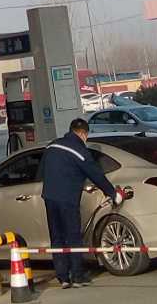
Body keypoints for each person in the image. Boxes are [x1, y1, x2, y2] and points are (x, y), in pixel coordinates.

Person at [40, 119, 122, 289]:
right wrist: (113, 194)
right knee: (73, 236)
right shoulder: (79, 151)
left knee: (57, 237)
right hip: (68, 199)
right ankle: (77, 276)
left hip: (49, 197)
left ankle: (63, 277)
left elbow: (43, 170)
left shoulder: (51, 146)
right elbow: (96, 174)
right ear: (84, 134)